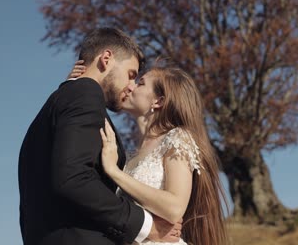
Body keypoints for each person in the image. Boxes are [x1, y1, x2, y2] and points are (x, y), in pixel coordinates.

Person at [18, 28, 181, 245]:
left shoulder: (61, 100)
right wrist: (146, 225)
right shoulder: (85, 93)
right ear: (106, 59)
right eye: (131, 75)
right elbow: (73, 178)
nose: (131, 86)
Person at [69, 62, 229, 244]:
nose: (130, 86)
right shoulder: (127, 155)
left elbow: (174, 207)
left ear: (158, 101)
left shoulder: (177, 138)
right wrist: (78, 84)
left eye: (141, 83)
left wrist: (114, 172)